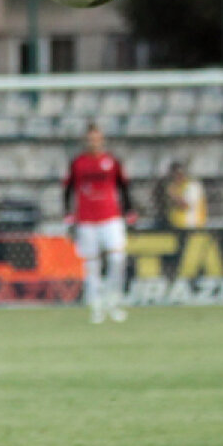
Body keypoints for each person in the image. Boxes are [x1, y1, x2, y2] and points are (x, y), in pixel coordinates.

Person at [63, 123, 136, 324]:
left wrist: (129, 211)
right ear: (85, 141)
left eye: (96, 138)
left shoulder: (112, 161)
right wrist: (68, 215)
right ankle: (96, 306)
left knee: (117, 260)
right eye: (90, 139)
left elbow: (123, 186)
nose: (93, 142)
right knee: (92, 266)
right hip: (87, 221)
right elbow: (68, 189)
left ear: (102, 140)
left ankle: (113, 302)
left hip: (110, 218)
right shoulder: (78, 163)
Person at [164, 160, 207, 228]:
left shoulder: (192, 186)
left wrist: (173, 195)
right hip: (177, 227)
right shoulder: (177, 187)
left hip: (191, 227)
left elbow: (185, 205)